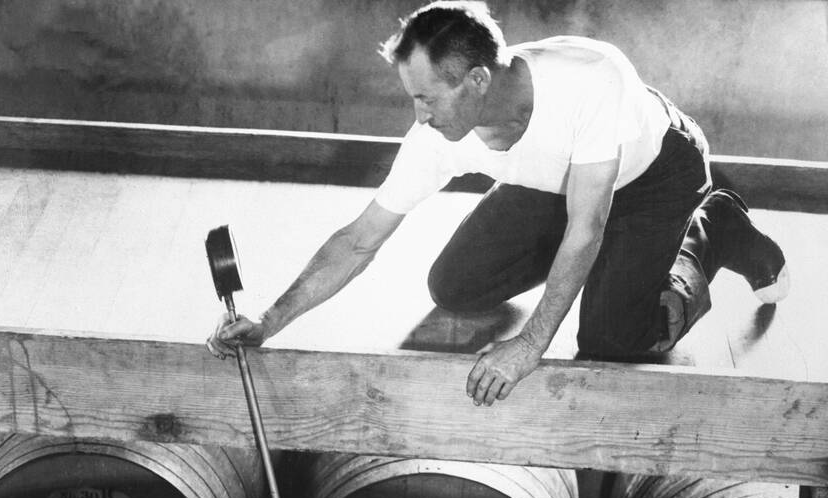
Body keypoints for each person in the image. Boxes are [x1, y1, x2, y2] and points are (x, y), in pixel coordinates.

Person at [206, 1, 789, 406]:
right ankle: (637, 258)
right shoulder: (436, 135)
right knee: (455, 287)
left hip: (654, 174)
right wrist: (268, 322)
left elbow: (586, 230)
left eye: (426, 97)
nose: (418, 115)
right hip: (558, 182)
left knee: (611, 341)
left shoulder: (591, 78)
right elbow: (360, 239)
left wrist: (528, 346)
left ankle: (714, 229)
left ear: (479, 80)